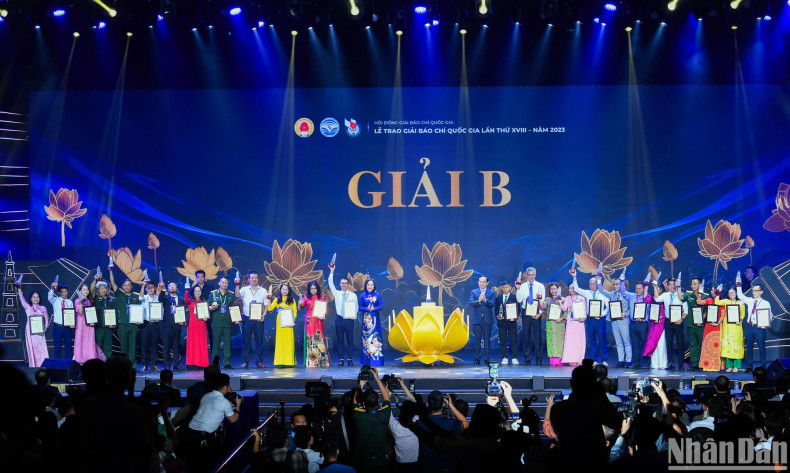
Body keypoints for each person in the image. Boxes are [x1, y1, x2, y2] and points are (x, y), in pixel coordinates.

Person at [186, 373, 242, 471]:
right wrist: (238, 406)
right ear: (225, 387)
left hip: (190, 432)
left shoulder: (206, 396)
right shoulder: (223, 402)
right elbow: (233, 419)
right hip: (204, 438)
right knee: (214, 463)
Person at [352, 366, 391, 473]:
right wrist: (377, 378)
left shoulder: (359, 415)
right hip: (381, 460)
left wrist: (361, 384)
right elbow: (387, 398)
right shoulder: (384, 414)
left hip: (364, 461)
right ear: (378, 401)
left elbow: (354, 402)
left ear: (363, 403)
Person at [418, 390, 467, 473]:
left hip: (427, 467)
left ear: (429, 405)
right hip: (447, 466)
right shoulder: (451, 423)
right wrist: (451, 405)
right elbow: (465, 423)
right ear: (443, 404)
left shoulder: (420, 423)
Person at [570, 270, 610, 365]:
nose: (592, 286)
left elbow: (608, 306)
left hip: (600, 320)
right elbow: (577, 289)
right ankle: (595, 359)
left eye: (594, 284)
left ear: (597, 284)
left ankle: (604, 360)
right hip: (590, 319)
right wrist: (574, 277)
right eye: (590, 284)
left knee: (602, 339)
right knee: (592, 340)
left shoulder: (603, 294)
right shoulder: (587, 293)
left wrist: (602, 314)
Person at [736, 277, 775, 371]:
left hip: (759, 328)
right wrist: (738, 285)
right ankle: (749, 366)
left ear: (761, 292)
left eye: (756, 291)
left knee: (761, 347)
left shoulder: (765, 303)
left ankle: (763, 366)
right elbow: (740, 296)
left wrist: (765, 324)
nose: (754, 292)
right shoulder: (750, 300)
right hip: (750, 327)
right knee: (749, 347)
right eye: (753, 290)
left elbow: (770, 316)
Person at [596, 272, 632, 368]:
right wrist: (599, 280)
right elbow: (602, 290)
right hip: (614, 322)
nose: (615, 286)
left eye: (617, 284)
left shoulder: (628, 295)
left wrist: (626, 314)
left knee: (626, 341)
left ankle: (629, 360)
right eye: (614, 284)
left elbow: (631, 308)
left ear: (622, 284)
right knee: (618, 342)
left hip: (624, 321)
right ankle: (621, 360)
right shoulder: (612, 294)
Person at [234, 271, 269, 369]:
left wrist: (264, 314)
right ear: (249, 279)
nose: (254, 279)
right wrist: (237, 285)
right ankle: (245, 362)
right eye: (252, 278)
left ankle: (259, 361)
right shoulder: (244, 289)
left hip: (259, 319)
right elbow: (237, 295)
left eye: (256, 277)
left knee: (259, 342)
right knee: (246, 342)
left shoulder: (263, 291)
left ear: (258, 279)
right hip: (247, 318)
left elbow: (266, 304)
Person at [109, 268, 143, 364]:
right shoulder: (119, 294)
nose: (127, 287)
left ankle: (133, 365)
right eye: (125, 285)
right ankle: (124, 365)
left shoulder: (136, 296)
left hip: (133, 325)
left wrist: (139, 320)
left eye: (128, 285)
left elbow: (140, 308)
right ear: (122, 286)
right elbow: (113, 283)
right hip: (122, 324)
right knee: (123, 346)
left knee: (133, 346)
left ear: (132, 286)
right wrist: (110, 271)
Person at [328, 264, 358, 366]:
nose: (344, 285)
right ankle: (341, 359)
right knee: (340, 340)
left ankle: (349, 359)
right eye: (342, 283)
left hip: (349, 319)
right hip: (339, 319)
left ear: (348, 284)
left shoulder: (353, 295)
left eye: (345, 283)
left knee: (350, 340)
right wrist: (332, 271)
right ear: (340, 284)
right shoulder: (337, 293)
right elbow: (330, 283)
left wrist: (354, 315)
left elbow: (356, 307)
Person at [515, 267, 546, 365]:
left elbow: (542, 302)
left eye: (533, 275)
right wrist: (518, 289)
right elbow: (519, 300)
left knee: (537, 336)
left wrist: (539, 313)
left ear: (535, 275)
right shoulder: (523, 286)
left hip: (536, 312)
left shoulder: (540, 286)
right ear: (527, 275)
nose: (531, 276)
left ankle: (539, 358)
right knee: (526, 336)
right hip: (526, 312)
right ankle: (527, 358)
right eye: (529, 275)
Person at [619, 276, 652, 368]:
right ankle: (636, 362)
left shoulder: (647, 298)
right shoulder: (632, 296)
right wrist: (622, 282)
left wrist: (644, 318)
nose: (638, 290)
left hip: (643, 324)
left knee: (645, 343)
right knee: (635, 344)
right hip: (633, 324)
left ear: (643, 288)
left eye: (640, 288)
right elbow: (623, 292)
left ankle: (646, 362)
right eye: (636, 288)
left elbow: (649, 311)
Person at [654, 276, 685, 370]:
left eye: (674, 284)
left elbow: (686, 310)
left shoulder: (681, 295)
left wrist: (682, 319)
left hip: (678, 322)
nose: (672, 286)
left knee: (680, 343)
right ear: (668, 286)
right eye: (670, 284)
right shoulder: (665, 295)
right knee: (669, 343)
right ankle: (671, 363)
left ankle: (681, 364)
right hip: (668, 322)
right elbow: (656, 299)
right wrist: (655, 287)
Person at [713, 286, 746, 372]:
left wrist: (740, 320)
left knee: (736, 345)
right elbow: (716, 302)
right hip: (727, 327)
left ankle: (736, 366)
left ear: (736, 293)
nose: (731, 294)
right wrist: (718, 292)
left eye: (733, 292)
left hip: (737, 327)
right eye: (729, 293)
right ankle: (729, 366)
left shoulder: (741, 303)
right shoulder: (726, 301)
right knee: (728, 345)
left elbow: (742, 315)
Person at [299, 280, 330, 368]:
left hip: (318, 320)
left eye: (315, 288)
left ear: (317, 289)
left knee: (319, 339)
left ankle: (322, 361)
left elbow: (324, 310)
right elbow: (300, 309)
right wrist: (299, 305)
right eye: (311, 288)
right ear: (309, 289)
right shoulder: (306, 298)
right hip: (309, 321)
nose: (313, 290)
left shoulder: (322, 298)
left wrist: (323, 314)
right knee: (311, 340)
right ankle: (312, 361)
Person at [680, 277, 709, 370]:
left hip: (700, 325)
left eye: (694, 283)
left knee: (701, 344)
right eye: (692, 283)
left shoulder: (705, 296)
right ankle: (694, 364)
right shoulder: (688, 295)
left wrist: (702, 320)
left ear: (700, 285)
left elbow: (706, 311)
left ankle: (701, 363)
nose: (692, 285)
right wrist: (678, 286)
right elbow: (680, 298)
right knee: (692, 345)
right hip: (690, 324)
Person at [209, 277, 238, 369]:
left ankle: (227, 363)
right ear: (219, 283)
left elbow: (233, 308)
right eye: (223, 282)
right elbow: (208, 306)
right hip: (216, 322)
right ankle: (215, 363)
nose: (224, 284)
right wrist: (211, 308)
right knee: (216, 343)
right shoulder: (213, 293)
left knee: (227, 343)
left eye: (226, 283)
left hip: (227, 322)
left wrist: (236, 318)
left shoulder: (231, 294)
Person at [72, 283, 105, 364]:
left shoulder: (90, 301)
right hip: (80, 324)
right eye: (83, 290)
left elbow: (92, 313)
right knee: (80, 340)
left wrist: (93, 321)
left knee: (90, 341)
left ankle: (90, 358)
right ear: (80, 291)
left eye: (87, 289)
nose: (86, 291)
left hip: (89, 325)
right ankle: (79, 359)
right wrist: (80, 303)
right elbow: (80, 312)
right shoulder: (77, 301)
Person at [17, 286, 49, 367]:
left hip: (40, 333)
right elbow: (22, 299)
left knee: (41, 349)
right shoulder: (28, 308)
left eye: (37, 297)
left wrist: (44, 330)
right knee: (33, 349)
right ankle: (34, 366)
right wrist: (19, 288)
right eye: (34, 297)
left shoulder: (43, 308)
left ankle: (43, 366)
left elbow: (47, 320)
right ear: (30, 299)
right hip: (30, 333)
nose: (36, 299)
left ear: (40, 298)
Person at [268, 284, 298, 367]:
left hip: (289, 324)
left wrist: (293, 322)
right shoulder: (277, 300)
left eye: (286, 289)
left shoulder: (292, 300)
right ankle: (280, 362)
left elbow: (295, 312)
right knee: (280, 342)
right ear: (280, 290)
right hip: (280, 324)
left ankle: (289, 362)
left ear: (289, 291)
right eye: (283, 289)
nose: (284, 291)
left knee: (288, 342)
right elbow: (269, 308)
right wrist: (269, 299)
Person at [468, 275, 495, 365]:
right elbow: (471, 303)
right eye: (480, 282)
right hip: (477, 320)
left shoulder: (491, 292)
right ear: (478, 282)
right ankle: (477, 358)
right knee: (477, 340)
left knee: (487, 340)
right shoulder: (474, 292)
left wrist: (485, 300)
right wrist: (479, 301)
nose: (482, 283)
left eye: (484, 282)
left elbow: (493, 304)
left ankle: (487, 358)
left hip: (487, 320)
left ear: (487, 283)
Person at [159, 281, 185, 370]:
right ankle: (166, 363)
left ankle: (177, 363)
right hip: (167, 326)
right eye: (170, 286)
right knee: (166, 345)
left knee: (176, 345)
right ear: (168, 289)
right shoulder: (165, 298)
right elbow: (159, 299)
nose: (172, 287)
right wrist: (162, 289)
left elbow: (183, 311)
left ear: (177, 289)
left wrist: (183, 321)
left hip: (177, 326)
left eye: (174, 285)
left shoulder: (181, 299)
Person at [696, 283, 722, 372]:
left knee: (716, 345)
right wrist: (700, 293)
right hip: (708, 325)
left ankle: (715, 365)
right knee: (707, 345)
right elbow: (699, 302)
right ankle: (706, 365)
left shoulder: (721, 301)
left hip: (717, 326)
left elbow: (723, 314)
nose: (713, 292)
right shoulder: (709, 300)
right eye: (712, 290)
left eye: (715, 290)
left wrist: (718, 323)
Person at [358, 279, 384, 366]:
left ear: (374, 286)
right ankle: (366, 361)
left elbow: (381, 306)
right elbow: (360, 307)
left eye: (371, 285)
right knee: (366, 337)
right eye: (368, 284)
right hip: (366, 320)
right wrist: (367, 308)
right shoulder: (362, 295)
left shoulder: (377, 295)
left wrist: (374, 308)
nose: (370, 286)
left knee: (375, 336)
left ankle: (377, 361)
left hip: (375, 319)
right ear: (366, 286)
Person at [184, 282, 210, 368]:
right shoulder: (190, 301)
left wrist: (206, 318)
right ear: (193, 292)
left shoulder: (203, 302)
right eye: (196, 291)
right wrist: (186, 290)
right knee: (193, 343)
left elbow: (206, 314)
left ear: (201, 292)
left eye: (199, 291)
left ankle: (202, 362)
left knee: (201, 343)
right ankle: (192, 362)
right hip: (192, 325)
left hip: (201, 324)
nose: (197, 292)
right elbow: (186, 299)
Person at [559, 282, 586, 365]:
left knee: (579, 340)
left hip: (579, 321)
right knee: (571, 341)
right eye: (570, 288)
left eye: (573, 288)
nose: (572, 290)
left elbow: (585, 310)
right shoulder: (567, 298)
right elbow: (564, 309)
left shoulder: (581, 298)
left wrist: (583, 318)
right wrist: (559, 302)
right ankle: (571, 359)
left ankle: (579, 359)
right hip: (571, 321)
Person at [47, 281, 75, 360]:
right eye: (62, 291)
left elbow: (71, 314)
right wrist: (52, 288)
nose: (64, 293)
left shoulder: (70, 302)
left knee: (68, 346)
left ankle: (69, 363)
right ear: (59, 293)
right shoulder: (55, 300)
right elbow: (49, 296)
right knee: (57, 347)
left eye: (65, 291)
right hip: (58, 327)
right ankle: (58, 363)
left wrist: (72, 323)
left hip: (67, 328)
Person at [644, 278, 668, 370]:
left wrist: (661, 318)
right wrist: (646, 286)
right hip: (653, 324)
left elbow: (667, 311)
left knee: (661, 345)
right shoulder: (653, 298)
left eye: (658, 287)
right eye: (655, 287)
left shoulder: (664, 297)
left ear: (661, 289)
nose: (657, 289)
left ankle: (662, 364)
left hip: (661, 324)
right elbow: (645, 298)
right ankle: (654, 364)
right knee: (653, 344)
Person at [495, 281, 520, 365]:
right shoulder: (498, 298)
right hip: (501, 323)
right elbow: (496, 310)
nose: (505, 289)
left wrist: (515, 317)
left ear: (510, 287)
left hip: (511, 323)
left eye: (507, 287)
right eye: (503, 287)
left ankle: (514, 358)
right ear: (502, 288)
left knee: (514, 341)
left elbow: (518, 309)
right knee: (502, 341)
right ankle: (504, 357)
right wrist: (497, 316)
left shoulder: (514, 297)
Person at [90, 276, 115, 359]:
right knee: (98, 346)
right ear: (98, 290)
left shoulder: (111, 300)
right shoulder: (96, 298)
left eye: (104, 288)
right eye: (101, 289)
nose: (103, 290)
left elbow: (114, 313)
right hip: (99, 328)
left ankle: (107, 363)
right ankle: (98, 363)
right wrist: (95, 280)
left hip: (108, 328)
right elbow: (91, 290)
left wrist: (113, 324)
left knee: (108, 347)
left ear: (107, 290)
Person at [541, 283, 565, 366]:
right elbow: (542, 307)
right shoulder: (548, 299)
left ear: (558, 289)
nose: (553, 291)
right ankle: (553, 360)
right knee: (551, 342)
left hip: (559, 324)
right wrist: (539, 299)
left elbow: (566, 311)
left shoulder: (563, 299)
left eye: (554, 289)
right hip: (550, 324)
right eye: (551, 289)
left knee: (559, 342)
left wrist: (561, 319)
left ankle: (560, 360)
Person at [140, 280, 162, 371]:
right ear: (146, 289)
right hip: (145, 324)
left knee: (154, 345)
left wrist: (159, 318)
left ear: (155, 288)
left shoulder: (158, 299)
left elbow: (162, 310)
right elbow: (140, 297)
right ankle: (144, 365)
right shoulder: (144, 298)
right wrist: (143, 285)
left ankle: (153, 364)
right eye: (148, 288)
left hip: (155, 325)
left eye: (152, 287)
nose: (150, 289)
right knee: (144, 345)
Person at [193, 270, 215, 350]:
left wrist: (212, 306)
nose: (200, 279)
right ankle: (200, 352)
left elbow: (214, 299)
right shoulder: (193, 289)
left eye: (202, 277)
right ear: (196, 278)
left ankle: (213, 353)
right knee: (199, 335)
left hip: (210, 315)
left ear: (204, 277)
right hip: (198, 317)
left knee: (211, 334)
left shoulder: (211, 287)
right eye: (198, 277)